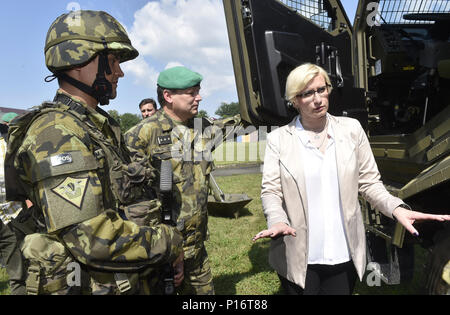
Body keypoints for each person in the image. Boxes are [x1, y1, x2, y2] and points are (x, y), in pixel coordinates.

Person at [5, 10, 184, 295]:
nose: (120, 72)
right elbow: (94, 239)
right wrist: (170, 243)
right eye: (113, 61)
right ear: (79, 59)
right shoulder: (57, 134)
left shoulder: (94, 126)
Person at [252, 63, 450, 295]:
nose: (318, 99)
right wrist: (277, 219)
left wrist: (396, 209)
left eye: (322, 89)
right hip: (298, 254)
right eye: (308, 93)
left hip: (343, 253)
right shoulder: (278, 140)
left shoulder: (351, 130)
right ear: (295, 100)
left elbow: (369, 183)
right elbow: (271, 191)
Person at [125, 66, 244, 295]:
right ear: (168, 96)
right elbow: (133, 205)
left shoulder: (203, 128)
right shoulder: (141, 135)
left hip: (196, 249)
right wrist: (166, 248)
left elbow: (239, 122)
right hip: (161, 255)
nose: (198, 97)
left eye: (198, 91)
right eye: (191, 92)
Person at [0, 112, 27, 295]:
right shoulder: (12, 148)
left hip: (10, 215)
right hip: (11, 214)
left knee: (17, 272)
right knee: (17, 273)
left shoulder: (11, 148)